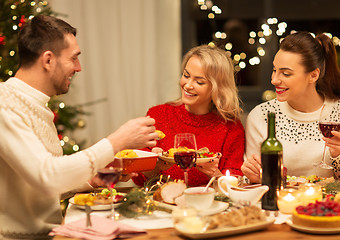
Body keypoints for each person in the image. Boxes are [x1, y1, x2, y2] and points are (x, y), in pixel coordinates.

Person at [0, 15, 158, 239]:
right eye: (73, 58)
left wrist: (90, 181)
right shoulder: (5, 104)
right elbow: (47, 177)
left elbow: (36, 184)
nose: (79, 67)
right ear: (48, 60)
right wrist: (117, 141)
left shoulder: (36, 106)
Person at [242, 31, 340, 183]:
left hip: (331, 204)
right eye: (274, 70)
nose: (274, 80)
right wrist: (252, 176)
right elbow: (251, 180)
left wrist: (338, 154)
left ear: (313, 75)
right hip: (281, 202)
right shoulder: (262, 115)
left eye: (285, 73)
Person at [132, 45, 245, 187]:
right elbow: (138, 180)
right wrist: (156, 167)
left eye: (199, 82)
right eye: (186, 75)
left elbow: (235, 184)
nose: (188, 85)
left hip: (208, 206)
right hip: (163, 204)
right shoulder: (157, 116)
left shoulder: (231, 128)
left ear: (217, 88)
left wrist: (215, 175)